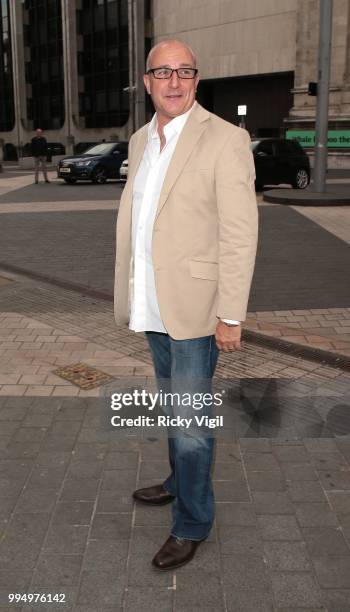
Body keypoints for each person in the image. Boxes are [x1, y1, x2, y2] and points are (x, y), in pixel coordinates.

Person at [114, 40, 258, 570]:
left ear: (197, 80)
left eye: (185, 71)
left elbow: (240, 234)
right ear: (147, 82)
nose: (174, 81)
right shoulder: (139, 140)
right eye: (163, 72)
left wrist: (231, 314)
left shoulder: (225, 139)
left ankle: (193, 522)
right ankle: (178, 483)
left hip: (197, 309)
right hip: (152, 304)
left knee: (193, 425)